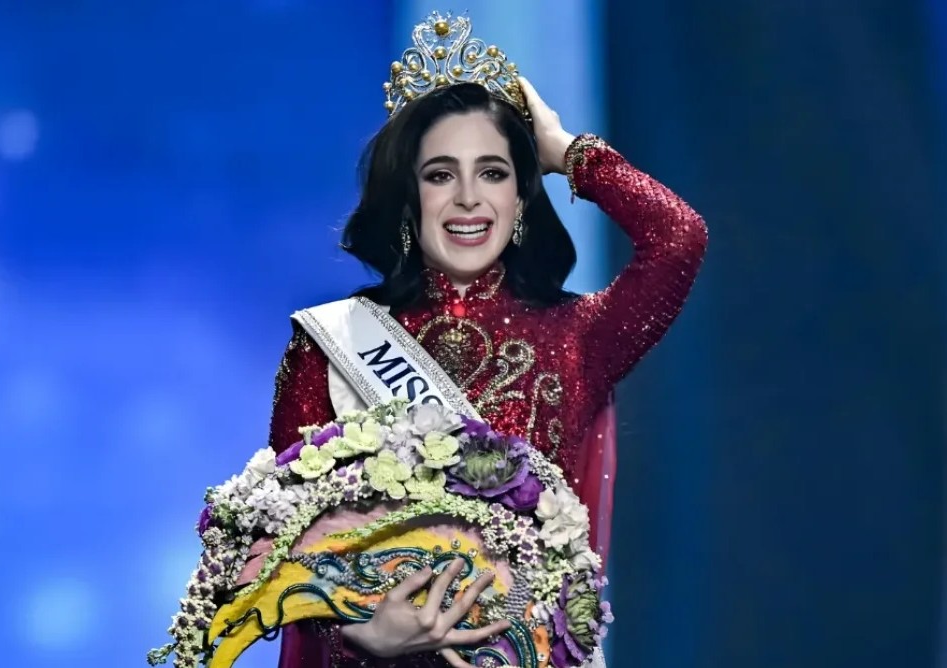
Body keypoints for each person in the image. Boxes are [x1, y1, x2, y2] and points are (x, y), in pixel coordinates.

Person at [266, 17, 708, 668]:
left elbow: (678, 238)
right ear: (407, 195)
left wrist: (565, 150)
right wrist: (362, 634)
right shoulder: (330, 346)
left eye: (494, 172)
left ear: (521, 195)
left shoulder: (579, 336)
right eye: (440, 174)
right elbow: (284, 544)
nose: (469, 199)